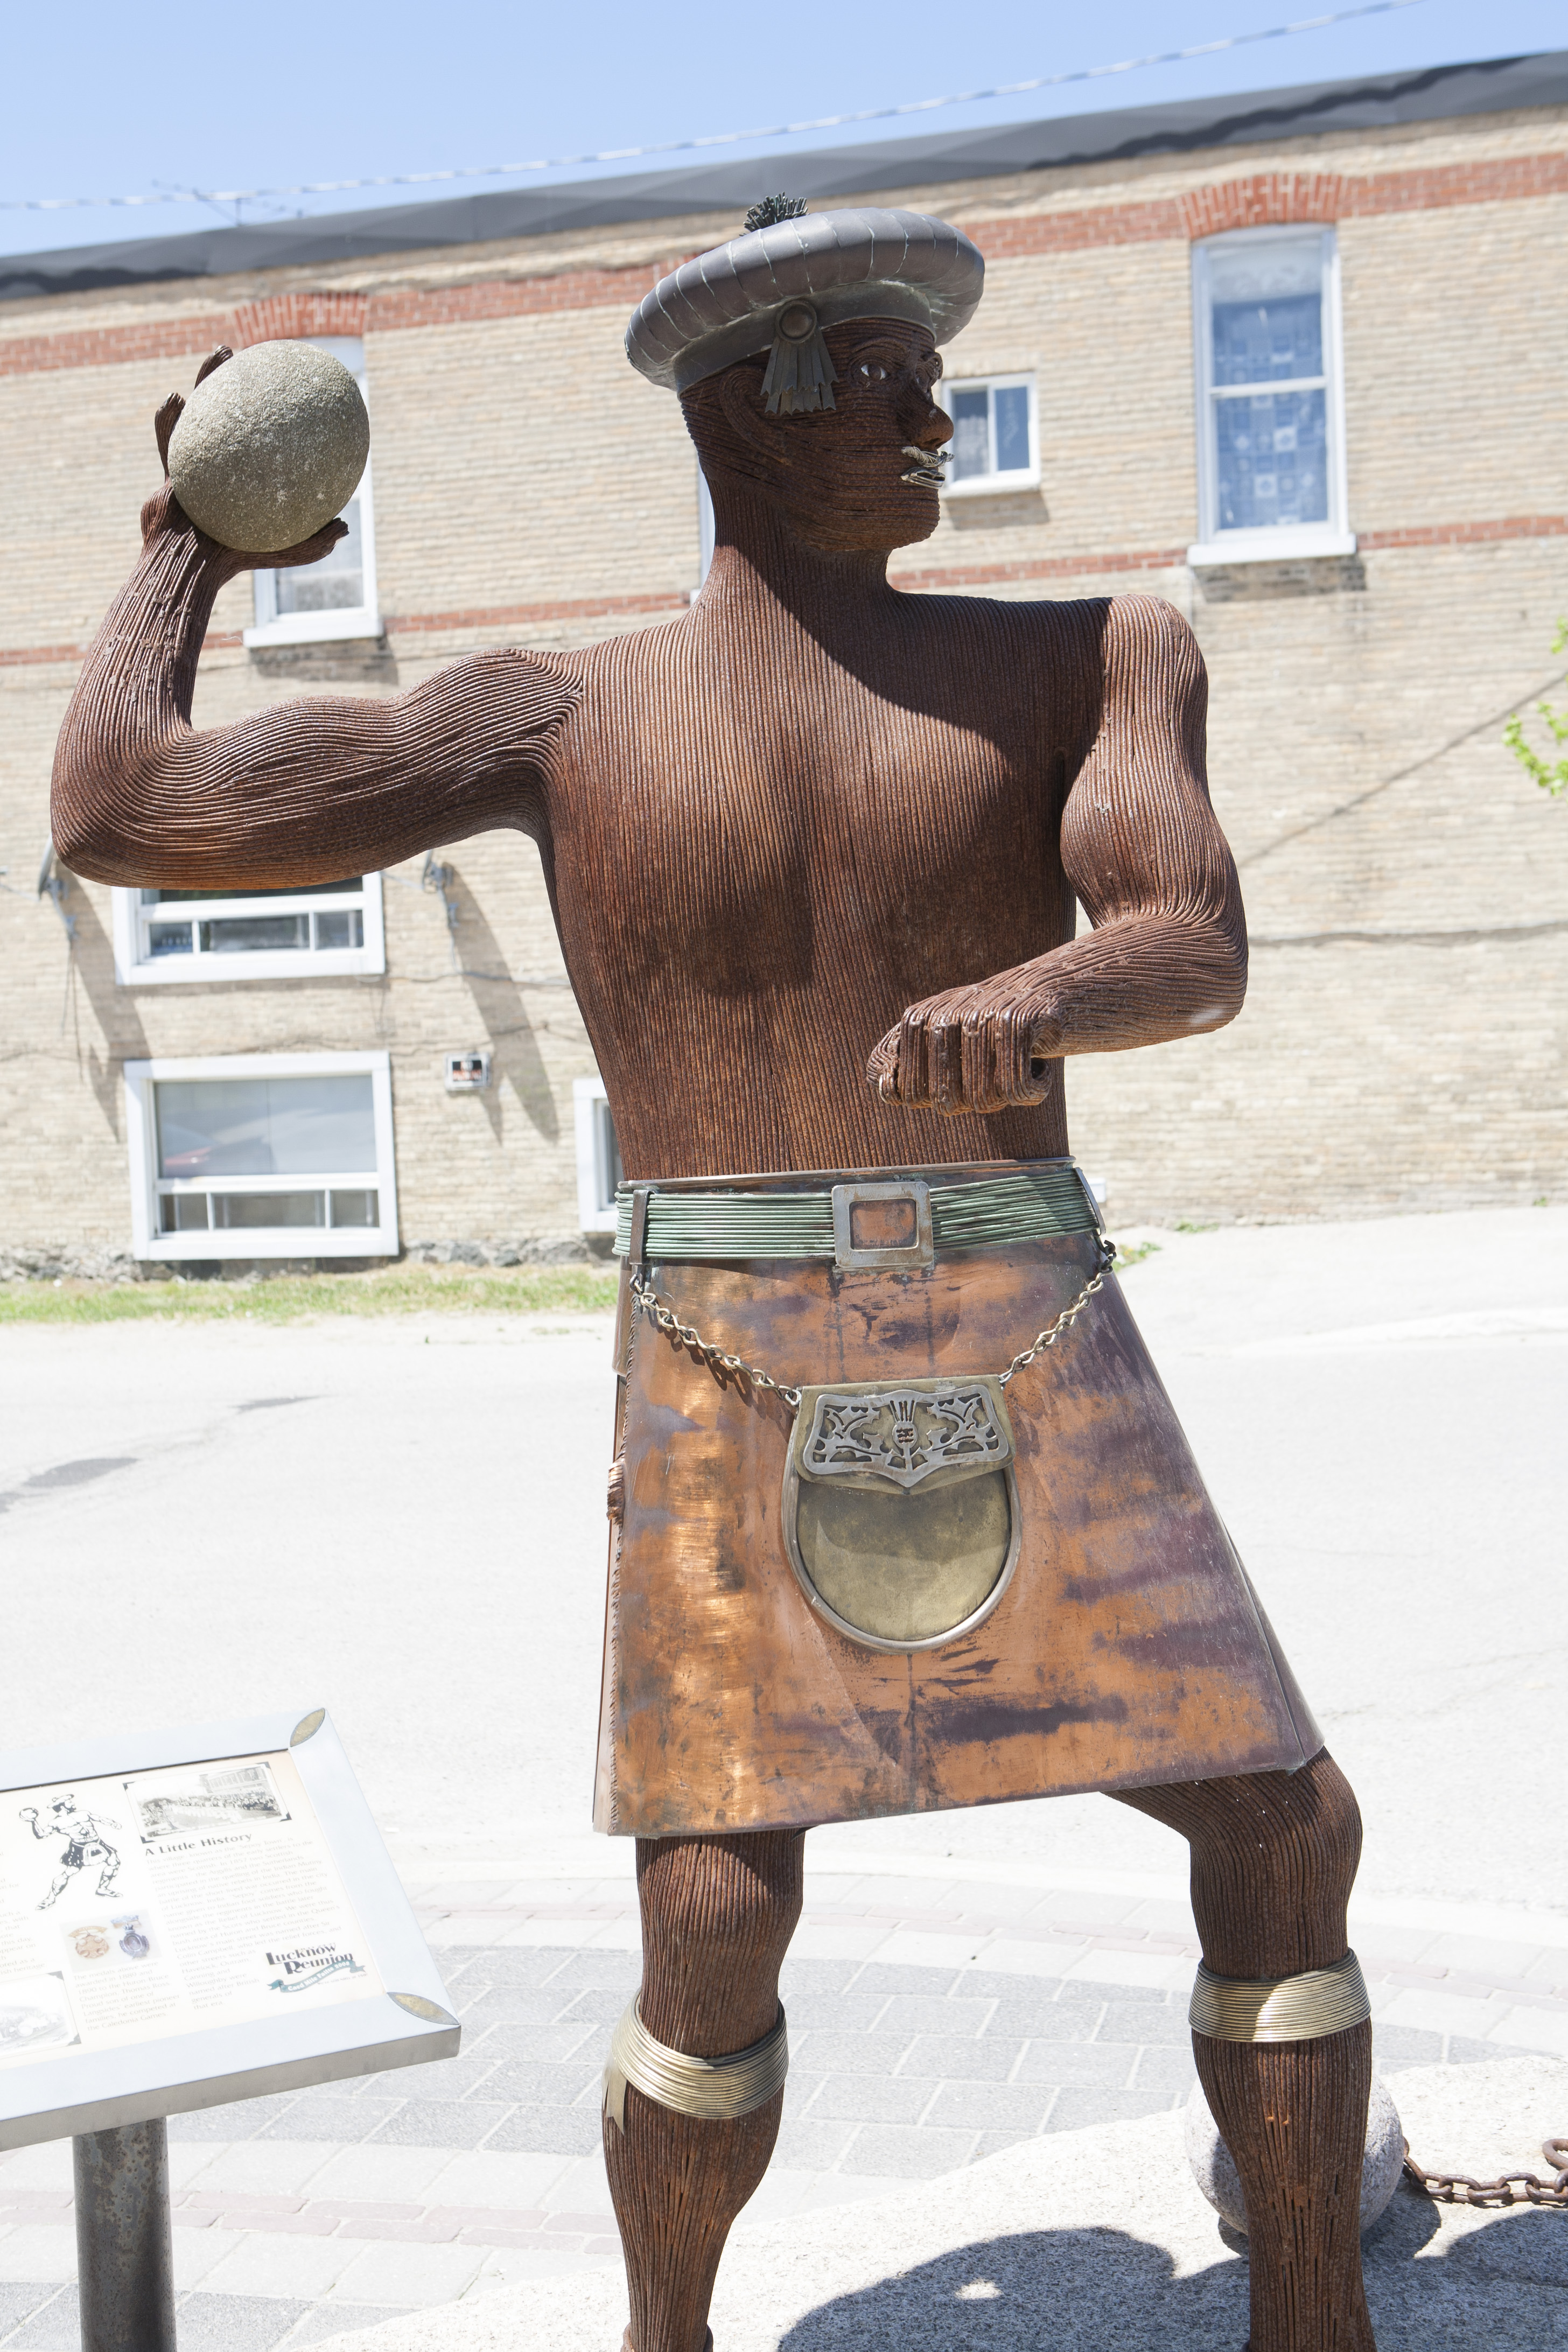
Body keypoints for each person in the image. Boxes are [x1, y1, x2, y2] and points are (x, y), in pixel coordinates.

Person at [52, 200, 1375, 2352]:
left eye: (932, 376)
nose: (938, 412)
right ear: (751, 405)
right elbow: (123, 809)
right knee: (711, 1918)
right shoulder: (558, 720)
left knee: (1278, 1823)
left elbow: (1191, 940)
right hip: (728, 1342)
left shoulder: (1090, 653)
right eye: (883, 372)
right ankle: (665, 2334)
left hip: (1012, 1307)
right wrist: (191, 542)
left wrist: (1038, 994)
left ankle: (1309, 2307)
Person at [21, 1796, 122, 1906]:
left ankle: (102, 1889)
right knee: (70, 1872)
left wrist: (112, 1823)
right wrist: (33, 1821)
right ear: (62, 1807)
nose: (72, 1803)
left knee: (114, 1862)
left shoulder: (83, 1813)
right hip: (79, 1847)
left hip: (97, 1843)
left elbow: (99, 1818)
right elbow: (42, 1835)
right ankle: (51, 1898)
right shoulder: (56, 1822)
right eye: (69, 1802)